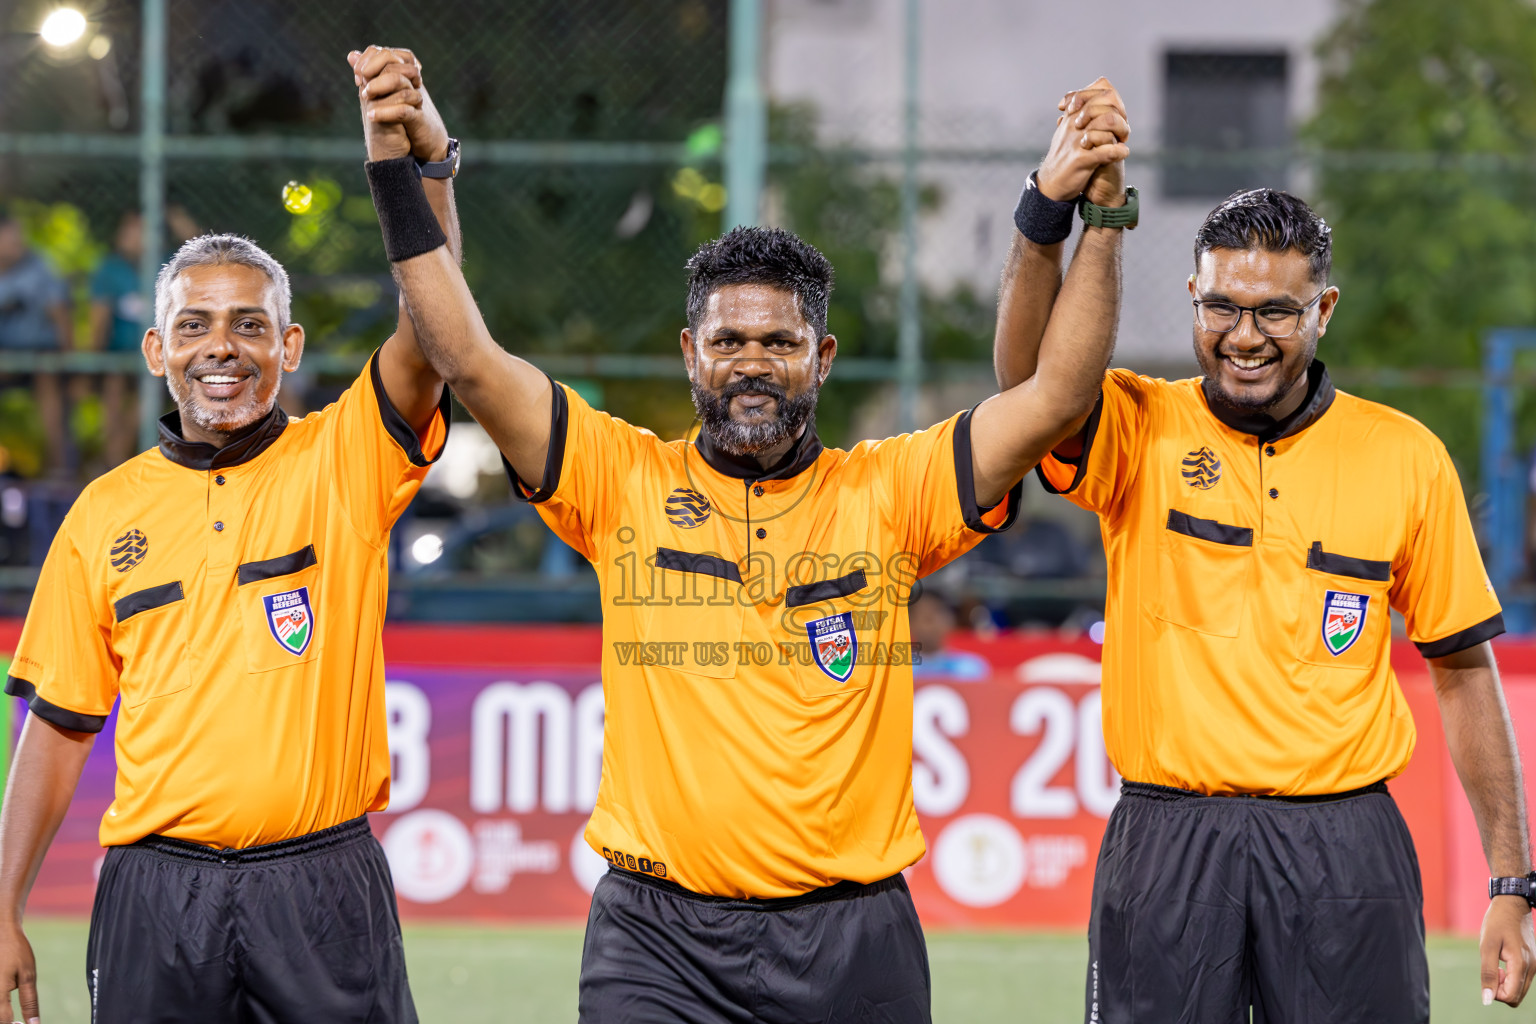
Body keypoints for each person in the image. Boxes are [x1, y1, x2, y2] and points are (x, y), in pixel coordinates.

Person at [354, 49, 1131, 1022]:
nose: (752, 363)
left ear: (823, 356)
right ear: (691, 353)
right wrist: (411, 168)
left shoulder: (892, 491)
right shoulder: (619, 478)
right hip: (657, 943)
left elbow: (1056, 395)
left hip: (853, 943)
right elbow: (463, 355)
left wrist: (1079, 213)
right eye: (728, 341)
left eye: (780, 341)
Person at [997, 149, 1536, 1016]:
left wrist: (1511, 880)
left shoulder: (1404, 456)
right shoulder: (1138, 424)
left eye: (1276, 312)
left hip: (1346, 850)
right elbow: (1025, 389)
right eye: (1223, 307)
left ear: (1323, 310)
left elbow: (1465, 672)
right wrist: (1046, 212)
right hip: (1168, 841)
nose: (1244, 336)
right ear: (1194, 298)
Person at [0, 78, 456, 1022]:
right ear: (155, 349)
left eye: (250, 324)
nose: (224, 347)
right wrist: (1, 907)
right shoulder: (102, 512)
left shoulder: (346, 457)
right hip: (153, 898)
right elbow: (57, 727)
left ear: (288, 346)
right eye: (195, 326)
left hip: (322, 884)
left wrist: (422, 171)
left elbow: (437, 333)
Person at [88, 207, 201, 468]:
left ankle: (121, 461)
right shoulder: (109, 269)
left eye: (138, 229)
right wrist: (89, 369)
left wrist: (172, 212)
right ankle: (111, 460)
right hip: (121, 358)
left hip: (164, 359)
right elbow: (99, 325)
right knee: (113, 387)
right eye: (126, 228)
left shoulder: (172, 264)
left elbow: (205, 250)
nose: (129, 235)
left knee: (145, 398)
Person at [0, 214, 70, 477]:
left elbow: (60, 313)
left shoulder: (38, 266)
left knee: (48, 379)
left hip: (39, 352)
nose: (19, 242)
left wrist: (70, 361)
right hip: (4, 355)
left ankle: (58, 467)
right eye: (11, 236)